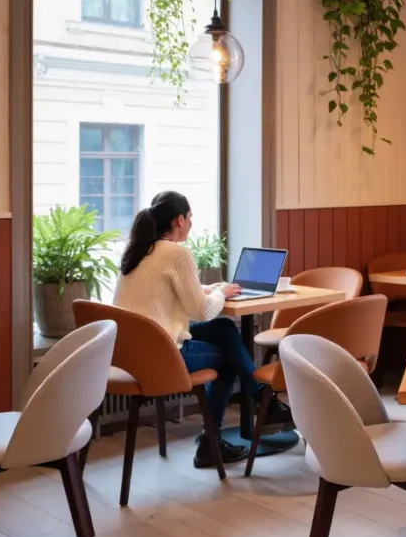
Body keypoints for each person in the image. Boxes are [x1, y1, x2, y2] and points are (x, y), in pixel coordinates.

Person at [113, 191, 293, 469]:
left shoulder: (139, 250)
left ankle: (260, 402)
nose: (191, 223)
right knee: (227, 359)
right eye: (191, 218)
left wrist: (218, 289)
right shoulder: (176, 253)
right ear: (180, 220)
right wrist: (221, 295)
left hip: (131, 354)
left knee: (223, 329)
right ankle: (215, 439)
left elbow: (182, 295)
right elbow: (203, 310)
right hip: (162, 355)